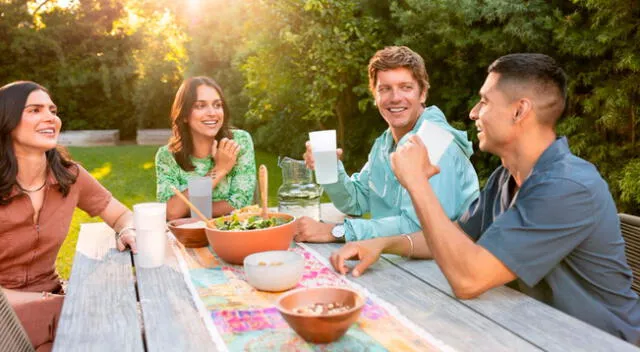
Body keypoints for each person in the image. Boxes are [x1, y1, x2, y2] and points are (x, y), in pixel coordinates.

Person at [330, 53, 640, 343]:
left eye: (484, 102)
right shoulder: (505, 177)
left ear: (519, 111)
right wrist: (384, 243)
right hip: (526, 330)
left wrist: (416, 182)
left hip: (599, 342)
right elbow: (455, 236)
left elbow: (469, 280)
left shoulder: (568, 187)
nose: (473, 113)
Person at [0, 81, 138, 351]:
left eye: (52, 110)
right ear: (7, 120)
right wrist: (47, 302)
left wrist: (127, 230)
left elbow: (121, 213)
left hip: (52, 297)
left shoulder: (69, 175)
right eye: (35, 110)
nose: (51, 117)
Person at [296, 46, 479, 243]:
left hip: (439, 267)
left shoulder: (435, 142)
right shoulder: (385, 143)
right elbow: (356, 202)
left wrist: (337, 231)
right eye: (385, 89)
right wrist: (329, 167)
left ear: (423, 93)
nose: (395, 98)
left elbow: (418, 227)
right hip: (395, 259)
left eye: (405, 87)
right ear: (375, 96)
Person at [155, 76, 256, 220]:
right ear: (184, 115)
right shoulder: (167, 156)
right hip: (188, 239)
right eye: (200, 106)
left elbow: (240, 204)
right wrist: (219, 170)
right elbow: (171, 212)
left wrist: (187, 208)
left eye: (217, 105)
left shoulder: (239, 141)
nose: (212, 113)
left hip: (231, 235)